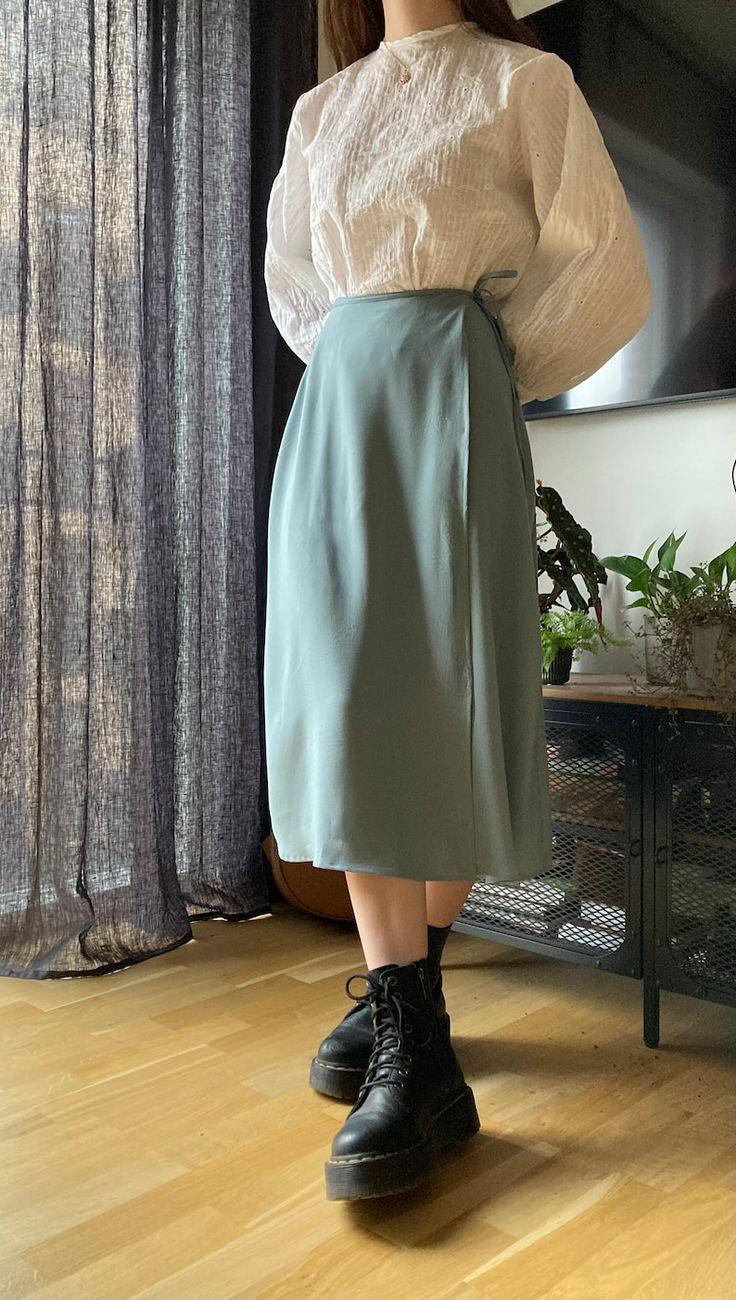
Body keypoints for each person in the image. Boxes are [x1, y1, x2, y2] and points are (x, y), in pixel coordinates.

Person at [263, 0, 651, 1202]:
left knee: (437, 697)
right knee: (351, 694)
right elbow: (292, 282)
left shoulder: (521, 83)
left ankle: (408, 1025)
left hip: (452, 395)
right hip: (341, 411)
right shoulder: (321, 107)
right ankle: (409, 1015)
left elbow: (603, 259)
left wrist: (486, 363)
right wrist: (371, 364)